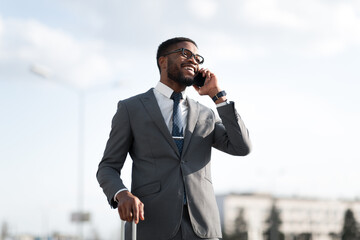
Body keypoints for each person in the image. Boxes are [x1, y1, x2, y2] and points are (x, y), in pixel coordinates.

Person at [96, 37, 251, 240]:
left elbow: (242, 146)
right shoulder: (131, 109)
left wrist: (218, 97)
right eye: (185, 53)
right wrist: (122, 193)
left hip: (203, 228)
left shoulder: (206, 114)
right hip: (152, 225)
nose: (193, 61)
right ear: (163, 61)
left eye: (197, 58)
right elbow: (107, 167)